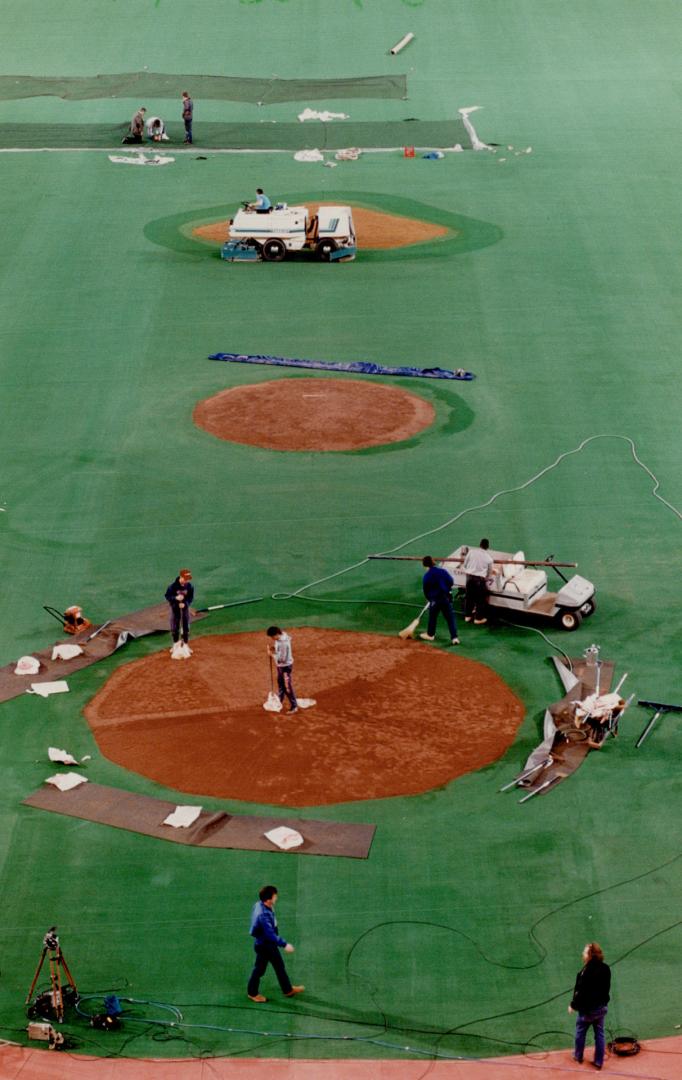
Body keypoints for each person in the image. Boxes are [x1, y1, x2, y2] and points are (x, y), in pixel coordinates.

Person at [247, 885, 304, 1003]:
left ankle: (287, 989)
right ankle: (252, 993)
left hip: (267, 944)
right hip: (265, 945)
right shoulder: (263, 915)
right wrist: (285, 944)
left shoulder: (260, 904)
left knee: (278, 966)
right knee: (260, 969)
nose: (276, 897)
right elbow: (270, 934)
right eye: (274, 896)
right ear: (268, 899)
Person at [568, 942, 611, 1070]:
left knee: (580, 1031)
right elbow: (606, 988)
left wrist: (573, 1005)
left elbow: (581, 993)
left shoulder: (585, 972)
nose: (582, 954)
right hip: (601, 1008)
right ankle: (598, 1062)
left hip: (588, 1011)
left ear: (590, 955)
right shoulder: (606, 968)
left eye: (585, 952)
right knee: (600, 1034)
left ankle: (578, 1055)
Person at [419, 556, 459, 645]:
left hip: (435, 601)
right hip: (446, 598)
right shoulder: (442, 571)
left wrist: (429, 599)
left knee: (433, 617)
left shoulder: (427, 576)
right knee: (450, 618)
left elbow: (426, 590)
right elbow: (451, 581)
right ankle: (454, 638)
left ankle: (430, 634)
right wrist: (447, 589)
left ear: (424, 565)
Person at [461, 538, 495, 624]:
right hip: (479, 580)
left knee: (469, 597)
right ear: (487, 547)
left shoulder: (471, 552)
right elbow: (489, 574)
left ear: (479, 545)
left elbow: (465, 564)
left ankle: (467, 616)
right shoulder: (489, 558)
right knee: (480, 599)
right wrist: (487, 579)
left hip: (469, 578)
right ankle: (478, 618)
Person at [267, 626, 298, 713]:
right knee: (280, 683)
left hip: (285, 667)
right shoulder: (280, 638)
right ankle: (279, 702)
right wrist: (274, 648)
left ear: (277, 634)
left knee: (287, 687)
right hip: (281, 666)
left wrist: (272, 655)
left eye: (273, 637)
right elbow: (279, 650)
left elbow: (282, 659)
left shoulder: (283, 643)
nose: (272, 639)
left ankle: (294, 706)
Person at [165, 569, 194, 651]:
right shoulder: (172, 586)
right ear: (181, 577)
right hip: (175, 608)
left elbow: (190, 598)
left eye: (188, 579)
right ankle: (175, 644)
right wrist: (175, 598)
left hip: (184, 609)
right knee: (175, 626)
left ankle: (185, 644)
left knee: (185, 626)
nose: (187, 581)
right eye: (185, 578)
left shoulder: (190, 586)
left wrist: (185, 604)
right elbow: (167, 596)